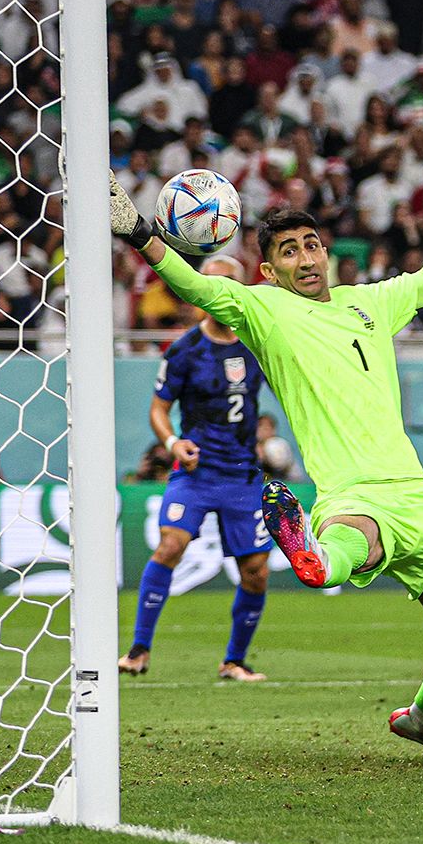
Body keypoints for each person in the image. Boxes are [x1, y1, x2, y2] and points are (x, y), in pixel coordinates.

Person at [106, 132, 423, 764]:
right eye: (288, 251)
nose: (306, 257)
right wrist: (138, 235)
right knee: (355, 541)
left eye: (312, 244)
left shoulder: (371, 302)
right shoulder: (263, 309)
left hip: (416, 493)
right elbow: (198, 288)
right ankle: (316, 556)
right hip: (351, 492)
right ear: (269, 270)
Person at [118, 255, 273, 682]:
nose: (218, 294)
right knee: (171, 546)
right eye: (210, 286)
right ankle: (138, 650)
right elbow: (158, 409)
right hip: (196, 471)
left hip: (243, 475)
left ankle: (234, 661)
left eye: (227, 286)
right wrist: (172, 442)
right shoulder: (186, 349)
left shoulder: (259, 343)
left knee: (255, 573)